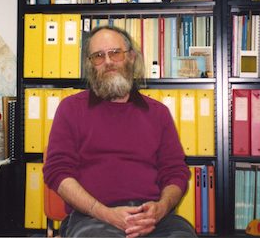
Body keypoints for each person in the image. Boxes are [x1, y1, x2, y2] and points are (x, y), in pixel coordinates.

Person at [43, 25, 197, 238]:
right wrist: (105, 213)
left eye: (115, 53)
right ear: (90, 65)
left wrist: (161, 208)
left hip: (153, 219)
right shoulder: (71, 109)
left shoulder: (158, 113)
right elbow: (57, 172)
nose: (107, 61)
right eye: (98, 56)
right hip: (92, 217)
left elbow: (175, 172)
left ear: (131, 58)